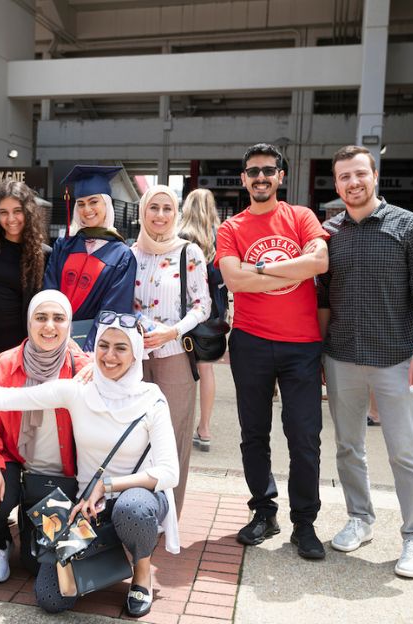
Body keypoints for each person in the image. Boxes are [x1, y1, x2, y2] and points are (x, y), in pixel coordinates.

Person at [0, 311, 179, 618]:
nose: (109, 356)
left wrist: (108, 485)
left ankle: (141, 574)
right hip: (84, 509)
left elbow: (168, 472)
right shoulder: (78, 390)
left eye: (121, 348)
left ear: (136, 353)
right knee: (50, 600)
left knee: (132, 508)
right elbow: (0, 398)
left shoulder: (151, 398)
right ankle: (103, 556)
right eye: (103, 345)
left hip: (136, 497)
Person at [317, 145, 413, 578]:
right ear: (337, 184)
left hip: (396, 360)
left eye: (359, 174)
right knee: (349, 447)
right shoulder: (329, 233)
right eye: (344, 177)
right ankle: (361, 518)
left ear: (374, 175)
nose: (353, 183)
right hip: (342, 358)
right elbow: (324, 300)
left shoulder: (410, 227)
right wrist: (320, 353)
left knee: (405, 453)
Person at [216, 143, 329, 560]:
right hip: (251, 342)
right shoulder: (231, 228)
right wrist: (288, 268)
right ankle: (264, 510)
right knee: (254, 434)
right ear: (244, 179)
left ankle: (304, 522)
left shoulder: (301, 217)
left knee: (304, 437)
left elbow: (317, 264)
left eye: (268, 170)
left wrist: (257, 269)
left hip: (301, 346)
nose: (260, 177)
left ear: (281, 175)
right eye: (252, 171)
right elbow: (234, 282)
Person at [0, 290, 88, 583]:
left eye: (58, 318)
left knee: (34, 566)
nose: (49, 326)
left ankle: (29, 523)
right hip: (15, 464)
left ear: (69, 324)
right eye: (41, 318)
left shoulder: (82, 369)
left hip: (59, 479)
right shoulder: (2, 365)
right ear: (28, 322)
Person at [132, 184, 210, 512]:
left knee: (174, 433)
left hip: (174, 354)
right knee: (135, 434)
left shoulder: (187, 252)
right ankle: (135, 507)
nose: (160, 215)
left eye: (167, 209)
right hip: (134, 358)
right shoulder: (130, 253)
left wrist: (172, 332)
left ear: (176, 213)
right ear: (143, 212)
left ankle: (168, 513)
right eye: (154, 208)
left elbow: (202, 305)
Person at [0, 179, 51, 460]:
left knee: (19, 418)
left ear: (28, 212)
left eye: (17, 211)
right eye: (3, 212)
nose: (11, 219)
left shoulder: (42, 255)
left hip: (22, 351)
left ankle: (14, 485)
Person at [43, 165, 137, 351]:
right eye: (81, 203)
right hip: (53, 338)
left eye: (94, 202)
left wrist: (87, 350)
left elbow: (113, 310)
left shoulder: (122, 255)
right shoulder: (64, 246)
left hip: (94, 346)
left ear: (106, 203)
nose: (87, 209)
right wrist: (54, 333)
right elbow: (49, 292)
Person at [179, 188, 228, 452]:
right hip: (214, 315)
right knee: (207, 369)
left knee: (182, 371)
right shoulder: (221, 238)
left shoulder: (180, 238)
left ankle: (181, 428)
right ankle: (205, 429)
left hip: (185, 313)